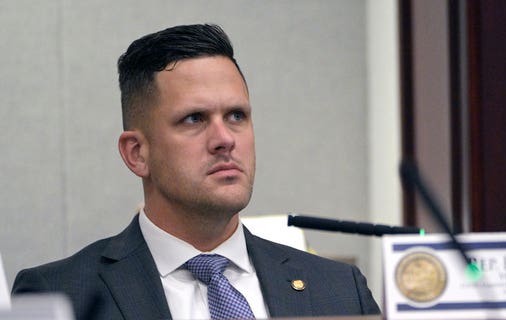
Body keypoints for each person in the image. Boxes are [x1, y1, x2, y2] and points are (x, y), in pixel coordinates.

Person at [12, 23, 381, 320]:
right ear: (137, 153)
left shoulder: (338, 290)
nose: (225, 139)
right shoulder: (61, 295)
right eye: (194, 119)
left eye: (236, 116)